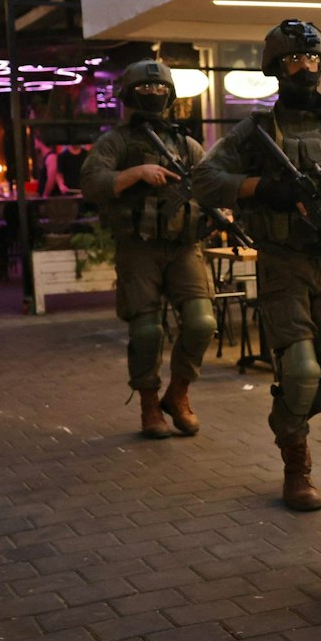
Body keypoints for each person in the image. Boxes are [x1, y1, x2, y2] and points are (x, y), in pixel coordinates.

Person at [194, 21, 321, 511]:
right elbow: (204, 178)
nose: (304, 68)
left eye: (312, 59)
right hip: (282, 264)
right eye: (293, 61)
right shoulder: (255, 133)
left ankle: (288, 419)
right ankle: (296, 464)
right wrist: (261, 189)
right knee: (303, 370)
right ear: (276, 69)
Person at [80, 61, 219, 439]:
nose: (154, 95)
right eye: (145, 88)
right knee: (145, 330)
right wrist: (135, 173)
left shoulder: (186, 144)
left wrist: (222, 206)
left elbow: (209, 183)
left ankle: (178, 394)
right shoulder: (117, 142)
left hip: (183, 245)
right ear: (128, 93)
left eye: (160, 89)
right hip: (138, 247)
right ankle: (148, 405)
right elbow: (91, 183)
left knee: (202, 322)